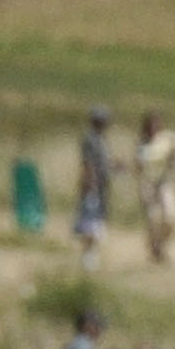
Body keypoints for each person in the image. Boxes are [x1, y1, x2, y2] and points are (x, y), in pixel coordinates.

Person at [134, 111, 175, 263]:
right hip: (148, 183)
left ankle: (161, 245)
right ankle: (155, 247)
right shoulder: (142, 144)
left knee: (171, 217)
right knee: (153, 219)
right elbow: (138, 166)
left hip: (165, 182)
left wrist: (172, 159)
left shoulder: (168, 138)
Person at [72, 108, 112, 267]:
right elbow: (88, 163)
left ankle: (91, 252)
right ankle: (88, 254)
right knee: (90, 222)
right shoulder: (90, 139)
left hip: (102, 186)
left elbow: (104, 162)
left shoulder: (101, 139)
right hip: (93, 186)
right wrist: (91, 183)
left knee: (97, 220)